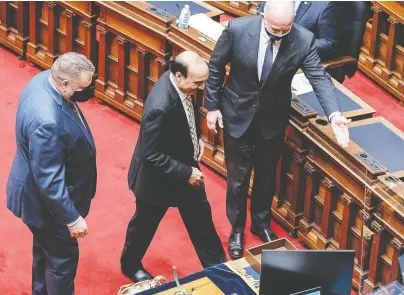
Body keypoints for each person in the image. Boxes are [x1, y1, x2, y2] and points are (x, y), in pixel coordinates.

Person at [205, 1, 350, 260]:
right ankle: (236, 230)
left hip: (272, 118)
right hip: (237, 114)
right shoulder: (237, 29)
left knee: (266, 177)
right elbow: (215, 67)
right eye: (275, 28)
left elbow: (318, 77)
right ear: (262, 17)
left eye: (286, 28)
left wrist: (335, 115)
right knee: (238, 181)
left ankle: (260, 223)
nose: (281, 34)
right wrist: (213, 106)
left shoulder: (303, 39)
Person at [121, 51, 227, 282]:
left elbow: (186, 116)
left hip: (184, 167)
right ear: (178, 77)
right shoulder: (160, 106)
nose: (201, 88)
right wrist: (186, 172)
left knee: (202, 222)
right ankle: (130, 264)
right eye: (197, 83)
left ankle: (220, 271)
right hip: (156, 179)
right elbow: (151, 153)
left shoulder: (185, 84)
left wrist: (195, 138)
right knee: (144, 226)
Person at [6, 52, 97, 294]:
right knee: (62, 264)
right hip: (47, 207)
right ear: (65, 84)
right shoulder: (49, 122)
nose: (88, 93)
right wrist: (72, 218)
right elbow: (49, 180)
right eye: (83, 88)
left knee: (44, 253)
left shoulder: (44, 79)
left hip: (35, 197)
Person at [257, 1, 340, 60]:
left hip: (295, 60)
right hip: (263, 50)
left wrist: (297, 45)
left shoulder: (326, 4)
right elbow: (260, 19)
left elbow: (329, 43)